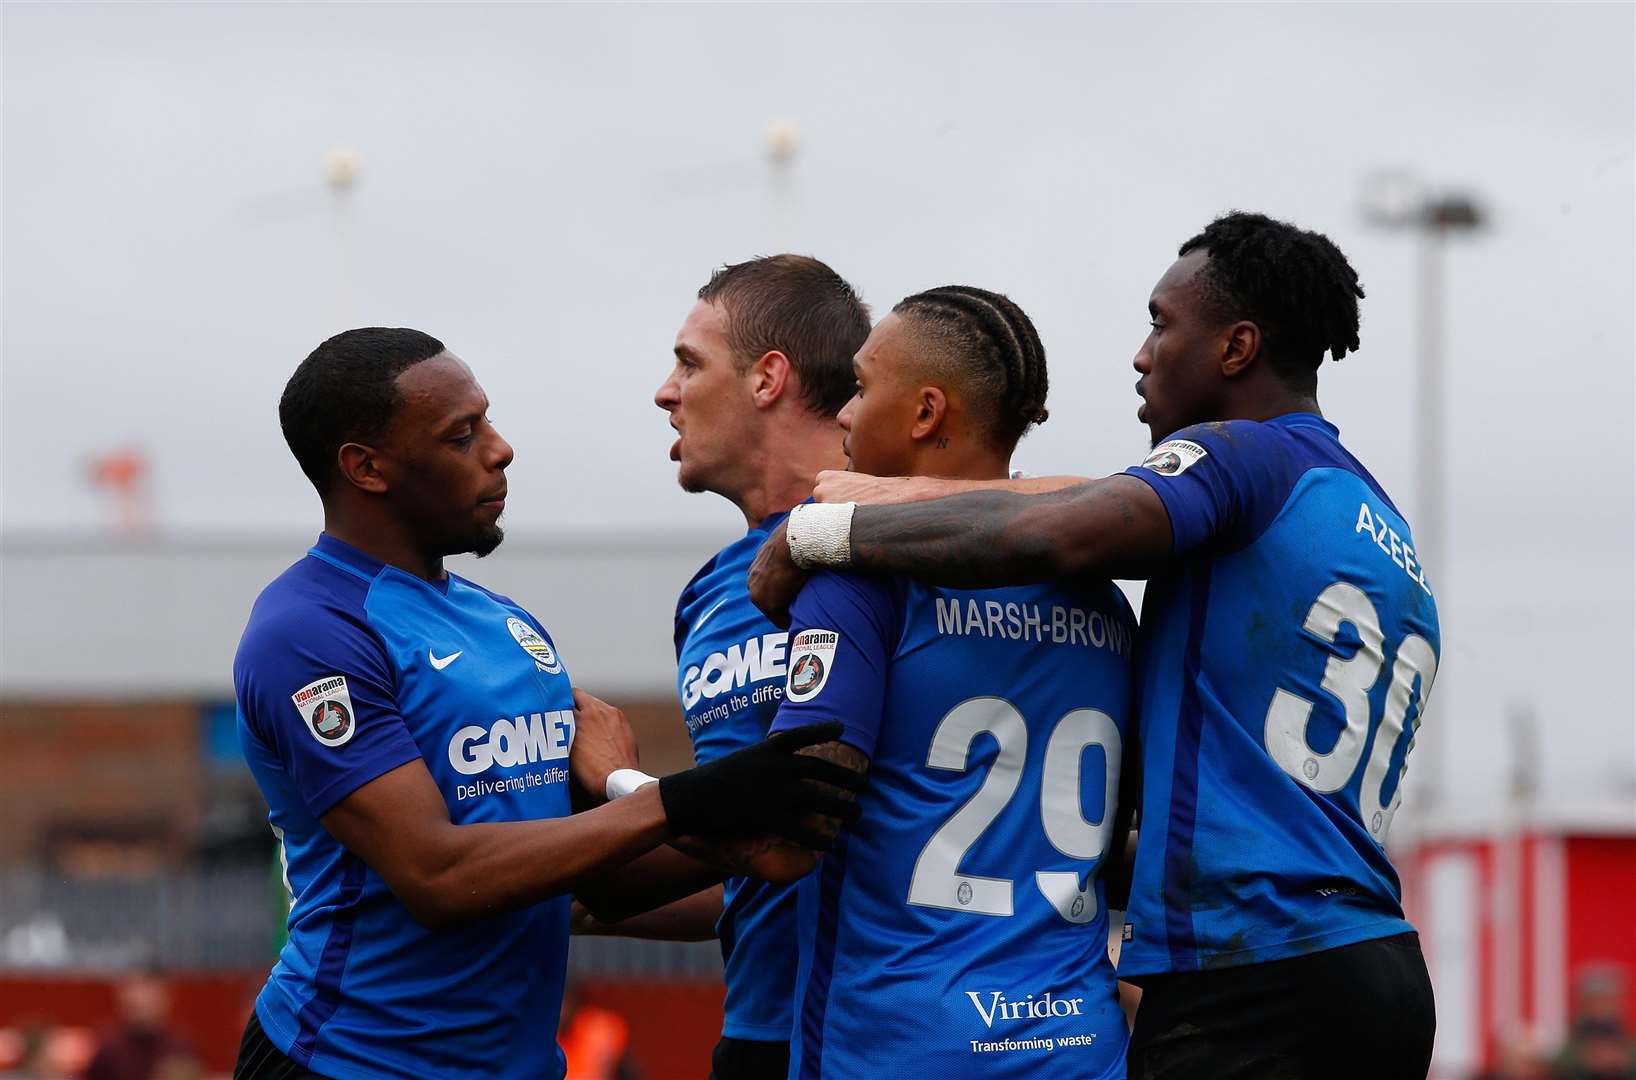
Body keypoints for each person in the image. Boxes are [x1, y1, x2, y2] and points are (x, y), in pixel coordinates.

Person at [750, 213, 1442, 1079]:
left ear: (1236, 348)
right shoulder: (1377, 523)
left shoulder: (1242, 459)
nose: (1142, 354)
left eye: (1162, 323)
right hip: (1376, 962)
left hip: (1253, 976)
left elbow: (1059, 532)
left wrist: (824, 532)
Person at [231, 327, 860, 1080]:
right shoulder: (309, 631)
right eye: (462, 436)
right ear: (367, 468)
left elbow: (600, 879)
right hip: (349, 1059)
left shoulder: (508, 628)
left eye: (487, 421)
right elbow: (438, 876)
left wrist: (796, 827)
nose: (501, 450)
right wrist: (686, 801)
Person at [752, 286, 1135, 1078]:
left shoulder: (857, 576)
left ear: (926, 412)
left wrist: (617, 802)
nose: (845, 416)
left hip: (902, 1048)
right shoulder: (1104, 605)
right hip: (1080, 1050)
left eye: (860, 388)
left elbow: (791, 832)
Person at [577, 255, 870, 1080]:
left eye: (688, 363)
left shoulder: (887, 544)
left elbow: (797, 838)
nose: (666, 393)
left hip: (882, 1037)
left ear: (768, 378)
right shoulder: (707, 591)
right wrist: (584, 896)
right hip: (758, 1034)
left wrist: (616, 787)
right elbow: (753, 877)